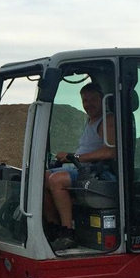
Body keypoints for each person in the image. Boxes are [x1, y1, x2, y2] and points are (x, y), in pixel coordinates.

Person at [44, 83, 116, 251]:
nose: (88, 104)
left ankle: (68, 232)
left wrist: (74, 157)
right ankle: (53, 227)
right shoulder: (90, 120)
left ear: (102, 100)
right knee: (41, 178)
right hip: (82, 168)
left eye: (93, 99)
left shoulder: (108, 120)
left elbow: (110, 152)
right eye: (85, 100)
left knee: (56, 180)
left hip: (99, 172)